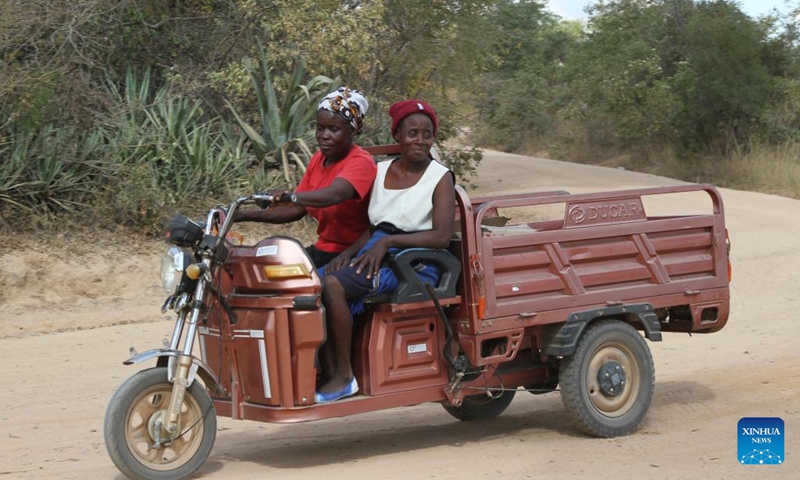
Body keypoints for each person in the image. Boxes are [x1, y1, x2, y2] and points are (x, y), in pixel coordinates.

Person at [315, 100, 455, 403]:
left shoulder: (440, 176)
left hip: (415, 259)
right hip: (376, 246)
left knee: (334, 285)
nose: (419, 141)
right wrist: (348, 253)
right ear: (397, 136)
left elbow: (442, 236)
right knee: (311, 282)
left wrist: (389, 243)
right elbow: (372, 226)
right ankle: (324, 371)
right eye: (412, 133)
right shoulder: (379, 172)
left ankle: (344, 377)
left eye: (427, 135)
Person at [235, 87, 377, 268]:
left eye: (334, 129)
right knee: (260, 270)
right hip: (323, 250)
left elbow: (335, 194)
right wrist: (239, 215)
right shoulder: (319, 159)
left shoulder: (361, 162)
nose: (324, 136)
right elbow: (296, 210)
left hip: (351, 253)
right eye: (320, 128)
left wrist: (292, 197)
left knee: (298, 288)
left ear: (353, 131)